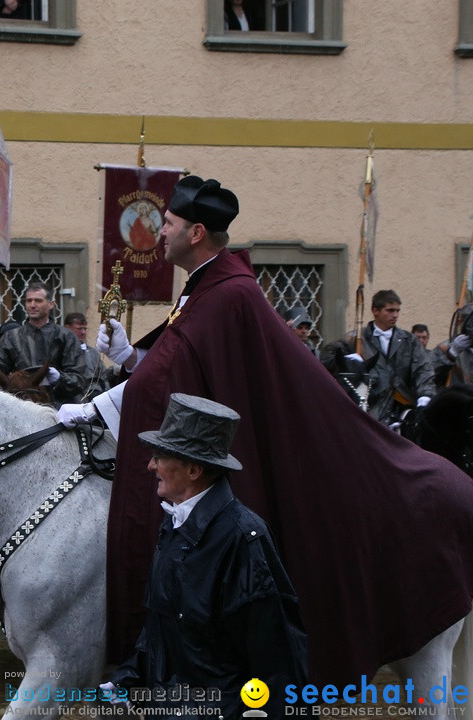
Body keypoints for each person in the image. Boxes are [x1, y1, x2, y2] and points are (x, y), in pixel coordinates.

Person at [55, 174, 473, 686]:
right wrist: (129, 355)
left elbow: (172, 373)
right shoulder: (207, 286)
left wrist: (98, 406)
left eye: (168, 224)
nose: (159, 233)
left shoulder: (228, 293)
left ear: (197, 232)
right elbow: (180, 359)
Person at [106, 393, 307, 718]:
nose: (150, 465)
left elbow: (278, 663)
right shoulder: (173, 524)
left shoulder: (243, 539)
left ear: (194, 469)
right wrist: (126, 682)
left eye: (160, 455)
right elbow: (160, 633)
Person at [0, 282, 88, 407]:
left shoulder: (65, 336)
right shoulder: (12, 337)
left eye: (38, 301)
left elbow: (80, 379)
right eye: (29, 301)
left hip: (60, 406)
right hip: (21, 405)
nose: (32, 305)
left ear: (50, 304)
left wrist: (59, 378)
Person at [344, 289, 435, 427]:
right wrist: (349, 363)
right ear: (375, 311)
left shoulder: (409, 340)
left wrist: (425, 396)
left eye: (397, 311)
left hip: (404, 404)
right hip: (369, 407)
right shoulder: (356, 339)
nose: (395, 315)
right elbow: (329, 360)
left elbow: (423, 369)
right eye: (390, 310)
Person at [64, 311, 112, 397]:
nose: (83, 332)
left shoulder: (93, 352)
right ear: (67, 328)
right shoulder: (63, 352)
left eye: (85, 329)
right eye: (79, 329)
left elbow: (103, 376)